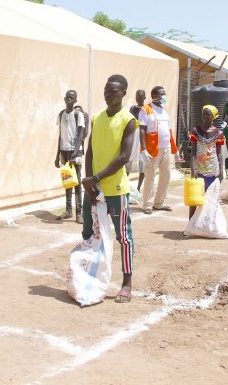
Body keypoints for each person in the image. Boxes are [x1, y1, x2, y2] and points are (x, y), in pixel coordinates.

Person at [81, 74, 137, 303]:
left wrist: (96, 177)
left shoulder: (128, 120)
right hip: (93, 188)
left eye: (112, 90)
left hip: (115, 188)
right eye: (106, 90)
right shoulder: (97, 118)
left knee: (123, 236)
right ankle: (90, 276)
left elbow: (124, 157)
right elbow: (91, 151)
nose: (107, 93)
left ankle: (127, 283)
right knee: (88, 233)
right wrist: (88, 182)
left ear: (123, 93)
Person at [138, 86, 177, 214]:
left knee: (166, 175)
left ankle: (159, 202)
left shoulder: (163, 110)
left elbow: (168, 130)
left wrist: (173, 149)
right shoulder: (146, 110)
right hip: (152, 149)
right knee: (150, 176)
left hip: (165, 148)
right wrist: (143, 149)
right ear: (155, 96)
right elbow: (142, 130)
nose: (164, 97)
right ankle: (147, 204)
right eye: (162, 94)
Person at [54, 90, 85, 223]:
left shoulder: (78, 114)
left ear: (75, 101)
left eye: (72, 98)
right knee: (67, 180)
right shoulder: (61, 114)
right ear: (64, 98)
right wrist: (57, 155)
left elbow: (81, 135)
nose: (69, 100)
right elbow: (60, 135)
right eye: (67, 98)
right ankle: (68, 210)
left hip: (75, 151)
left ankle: (79, 212)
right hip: (63, 151)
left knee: (77, 181)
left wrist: (75, 153)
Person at [188, 105, 225, 218]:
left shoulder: (218, 133)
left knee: (211, 199)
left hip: (212, 169)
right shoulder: (196, 131)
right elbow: (193, 152)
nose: (205, 116)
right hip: (198, 169)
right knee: (194, 198)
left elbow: (219, 153)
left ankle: (208, 225)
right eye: (204, 113)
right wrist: (193, 168)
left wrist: (221, 170)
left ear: (213, 116)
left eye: (208, 114)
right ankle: (190, 224)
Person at [128, 89, 146, 191]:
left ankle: (139, 187)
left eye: (141, 97)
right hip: (133, 136)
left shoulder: (147, 109)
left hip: (142, 137)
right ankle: (126, 184)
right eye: (137, 97)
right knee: (128, 160)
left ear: (144, 97)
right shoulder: (132, 108)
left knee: (142, 162)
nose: (139, 99)